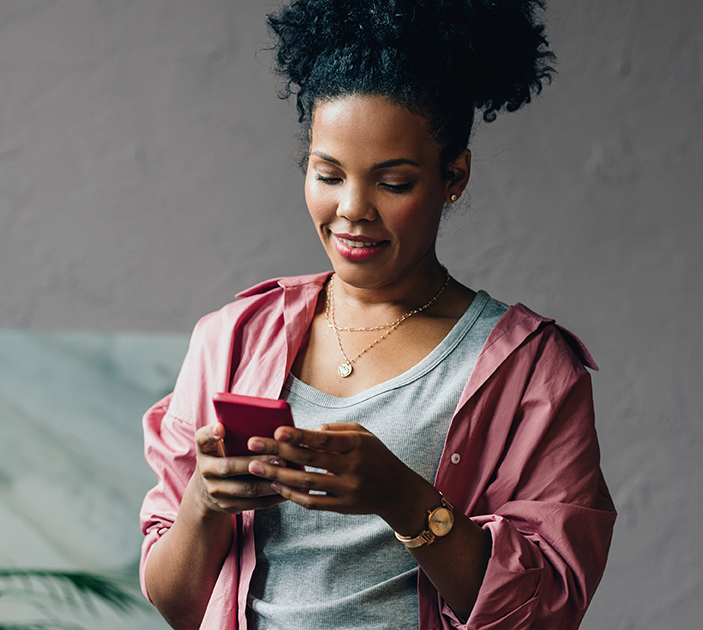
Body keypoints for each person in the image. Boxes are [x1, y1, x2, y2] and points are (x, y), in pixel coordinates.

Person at [139, 1, 617, 628]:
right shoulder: (231, 338)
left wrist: (403, 498)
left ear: (454, 176)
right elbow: (176, 604)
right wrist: (204, 501)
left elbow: (548, 610)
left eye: (393, 183)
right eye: (327, 174)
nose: (352, 209)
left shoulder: (531, 372)